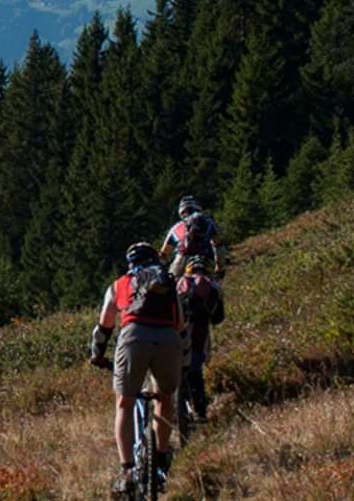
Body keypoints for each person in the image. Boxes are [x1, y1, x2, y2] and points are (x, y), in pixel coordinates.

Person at [90, 241, 187, 494]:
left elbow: (104, 327)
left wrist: (97, 354)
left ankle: (128, 470)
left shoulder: (119, 285)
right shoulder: (168, 283)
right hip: (168, 339)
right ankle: (162, 457)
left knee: (125, 402)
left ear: (130, 263)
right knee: (165, 398)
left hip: (134, 338)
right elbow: (180, 324)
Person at [177, 257, 225, 421]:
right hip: (200, 331)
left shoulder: (179, 283)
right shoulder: (213, 286)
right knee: (195, 370)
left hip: (179, 330)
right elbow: (218, 318)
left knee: (176, 367)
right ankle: (201, 411)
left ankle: (175, 407)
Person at [161, 195, 222, 277]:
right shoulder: (209, 223)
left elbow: (164, 253)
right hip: (205, 260)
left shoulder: (177, 227)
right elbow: (218, 245)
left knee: (174, 284)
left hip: (181, 260)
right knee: (211, 285)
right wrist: (219, 265)